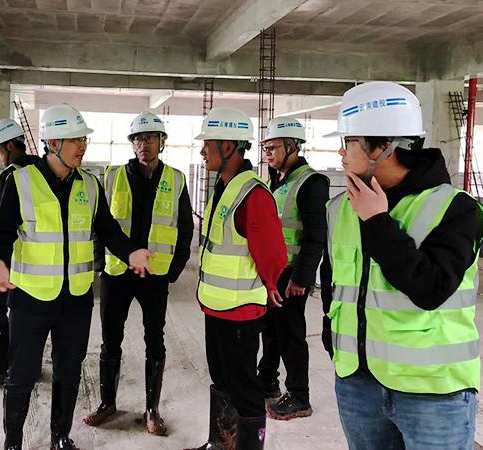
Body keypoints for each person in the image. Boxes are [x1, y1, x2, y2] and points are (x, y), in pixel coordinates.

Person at [321, 81, 483, 450]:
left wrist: (378, 223)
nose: (342, 152)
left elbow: (431, 289)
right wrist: (337, 347)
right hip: (357, 383)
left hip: (432, 392)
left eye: (349, 141)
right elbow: (335, 286)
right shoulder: (340, 208)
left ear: (383, 147)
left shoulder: (455, 208)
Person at [0, 103, 153, 450]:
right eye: (75, 139)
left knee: (69, 371)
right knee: (21, 374)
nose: (82, 146)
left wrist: (130, 252)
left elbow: (107, 229)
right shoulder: (21, 181)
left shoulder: (90, 185)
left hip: (76, 299)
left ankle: (60, 437)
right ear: (52, 143)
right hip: (31, 298)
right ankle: (13, 442)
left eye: (83, 139)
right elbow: (1, 230)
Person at [83, 112, 193, 435]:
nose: (145, 144)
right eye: (139, 139)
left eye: (151, 138)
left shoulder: (176, 179)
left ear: (162, 142)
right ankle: (107, 403)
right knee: (110, 341)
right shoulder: (112, 176)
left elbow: (185, 226)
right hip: (118, 273)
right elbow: (99, 223)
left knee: (154, 340)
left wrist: (174, 269)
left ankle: (152, 410)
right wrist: (100, 263)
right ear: (132, 144)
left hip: (155, 275)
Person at [184, 107, 287, 450]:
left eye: (208, 144)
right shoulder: (224, 187)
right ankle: (220, 444)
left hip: (240, 311)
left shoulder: (252, 194)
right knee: (222, 379)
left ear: (228, 146)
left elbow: (273, 255)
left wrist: (270, 284)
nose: (203, 151)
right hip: (216, 306)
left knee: (244, 389)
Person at [257, 117, 329, 420]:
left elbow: (316, 235)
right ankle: (267, 381)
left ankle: (300, 396)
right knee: (270, 330)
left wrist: (301, 277)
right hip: (273, 272)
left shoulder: (311, 182)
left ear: (292, 147)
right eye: (266, 148)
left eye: (273, 147)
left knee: (291, 335)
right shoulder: (276, 181)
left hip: (291, 274)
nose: (268, 153)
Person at [0, 118, 40, 388]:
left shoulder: (12, 175)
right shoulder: (42, 169)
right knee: (31, 312)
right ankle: (29, 365)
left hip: (13, 255)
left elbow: (5, 223)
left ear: (11, 146)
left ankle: (0, 367)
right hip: (39, 257)